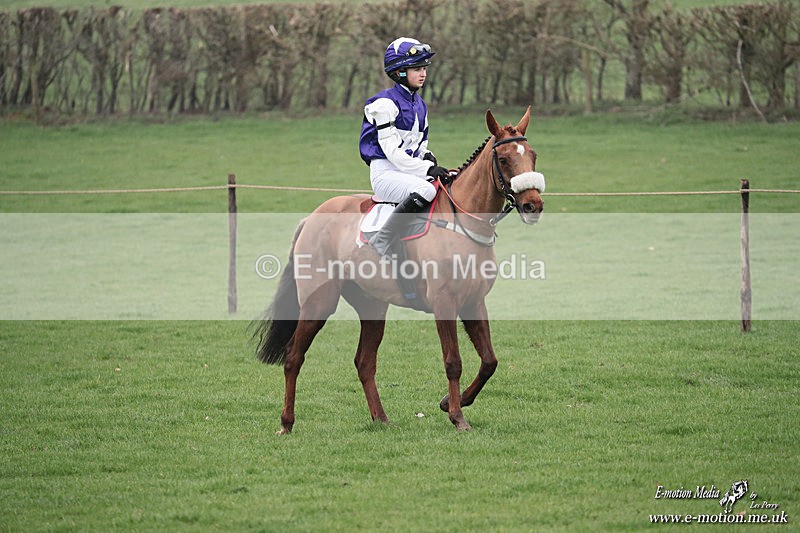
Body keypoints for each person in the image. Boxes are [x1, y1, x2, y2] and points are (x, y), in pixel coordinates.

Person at [359, 37, 450, 257]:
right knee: (427, 190)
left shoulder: (420, 105)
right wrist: (427, 169)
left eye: (424, 68)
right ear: (399, 72)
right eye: (417, 69)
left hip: (409, 173)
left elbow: (419, 145)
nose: (423, 73)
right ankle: (383, 239)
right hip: (385, 174)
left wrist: (428, 157)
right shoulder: (383, 104)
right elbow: (392, 153)